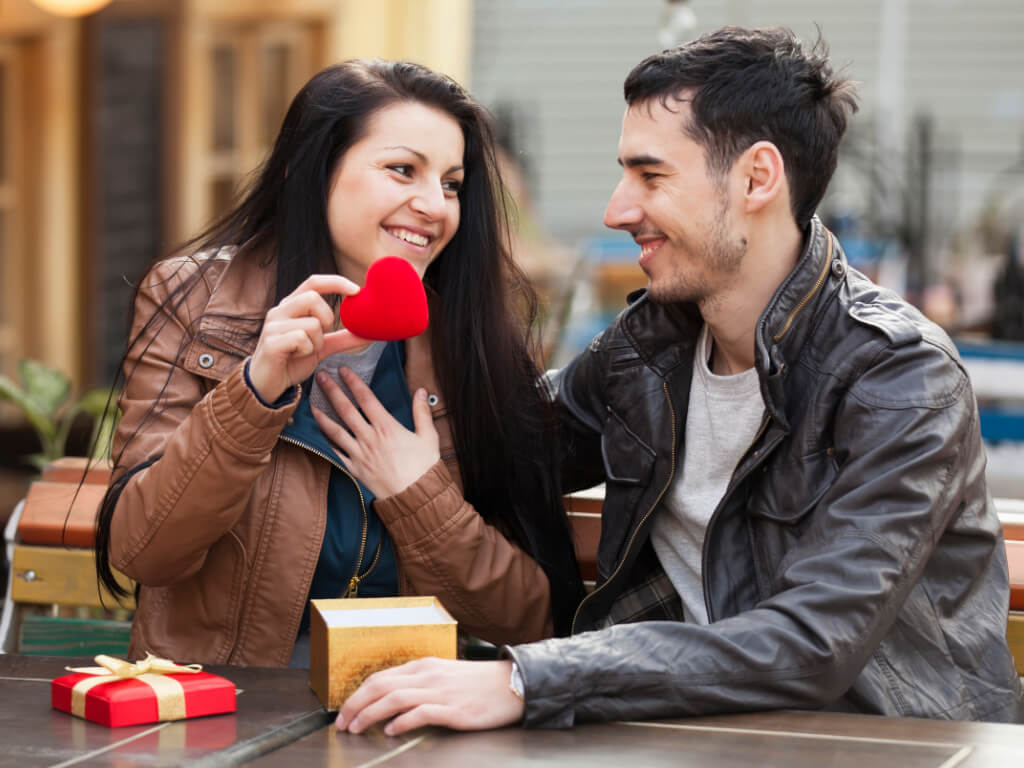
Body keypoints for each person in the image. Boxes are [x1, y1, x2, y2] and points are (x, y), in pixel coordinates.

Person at [334, 27, 1024, 733]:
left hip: (884, 742)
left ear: (758, 178)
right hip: (690, 732)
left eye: (650, 176)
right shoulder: (648, 346)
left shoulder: (899, 375)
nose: (616, 210)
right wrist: (390, 292)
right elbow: (506, 449)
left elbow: (812, 642)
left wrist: (530, 677)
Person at [93, 59, 584, 667]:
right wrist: (254, 392)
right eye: (402, 170)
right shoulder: (190, 299)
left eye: (452, 183)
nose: (436, 206)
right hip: (224, 707)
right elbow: (143, 552)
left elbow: (529, 619)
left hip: (400, 714)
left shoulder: (473, 333)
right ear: (313, 169)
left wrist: (418, 493)